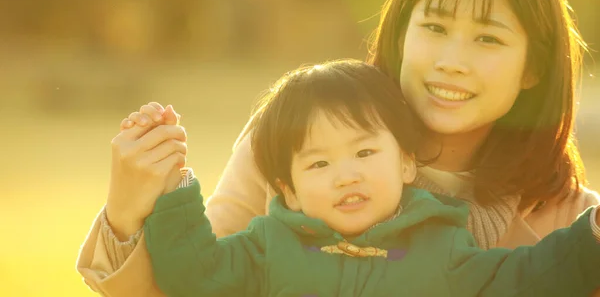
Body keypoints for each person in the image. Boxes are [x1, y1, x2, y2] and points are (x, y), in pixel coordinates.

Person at [77, 0, 600, 296]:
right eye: (435, 28)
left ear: (534, 66)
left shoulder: (570, 220)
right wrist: (128, 211)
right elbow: (195, 280)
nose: (451, 62)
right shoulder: (302, 136)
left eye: (487, 39)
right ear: (400, 30)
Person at [146, 60, 600, 297]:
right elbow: (193, 273)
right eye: (318, 164)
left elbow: (529, 280)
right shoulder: (267, 246)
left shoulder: (443, 248)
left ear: (406, 164)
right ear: (289, 190)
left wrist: (592, 237)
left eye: (364, 152)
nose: (347, 175)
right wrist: (174, 183)